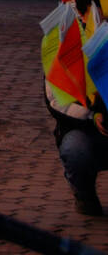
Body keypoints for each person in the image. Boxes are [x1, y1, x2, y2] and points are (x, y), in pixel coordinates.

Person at [45, 78, 108, 217]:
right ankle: (85, 195)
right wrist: (94, 114)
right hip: (83, 129)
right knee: (75, 150)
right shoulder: (62, 59)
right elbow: (56, 101)